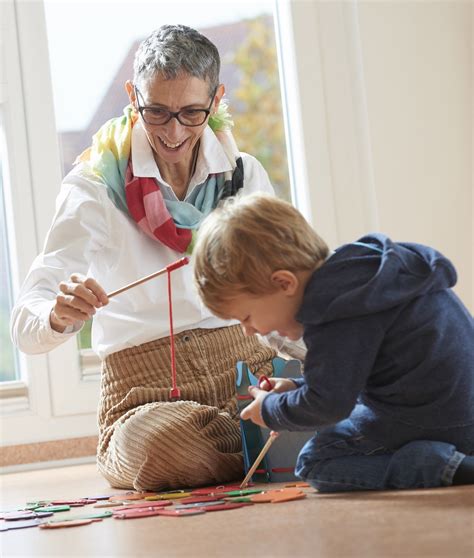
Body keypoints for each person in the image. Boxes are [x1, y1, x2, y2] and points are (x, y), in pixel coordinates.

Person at [10, 25, 277, 491]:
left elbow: (285, 286)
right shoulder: (93, 188)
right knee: (155, 445)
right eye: (156, 111)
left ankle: (268, 434)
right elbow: (25, 325)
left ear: (216, 101)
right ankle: (278, 444)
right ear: (133, 96)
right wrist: (56, 315)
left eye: (191, 113)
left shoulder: (243, 174)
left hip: (249, 368)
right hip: (146, 398)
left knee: (343, 387)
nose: (173, 132)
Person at [193, 192, 474, 492]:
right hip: (457, 409)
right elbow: (348, 379)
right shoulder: (363, 274)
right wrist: (297, 387)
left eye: (246, 317)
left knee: (315, 461)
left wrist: (270, 410)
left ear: (284, 283)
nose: (249, 331)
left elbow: (328, 405)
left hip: (437, 422)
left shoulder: (331, 311)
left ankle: (439, 465)